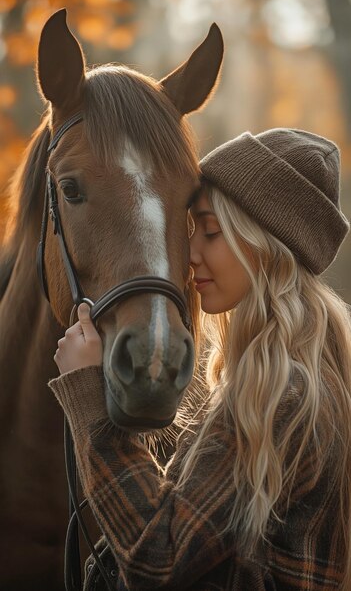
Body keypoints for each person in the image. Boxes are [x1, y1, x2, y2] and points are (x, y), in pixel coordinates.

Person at [51, 128, 351, 591]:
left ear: (267, 249)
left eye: (210, 232)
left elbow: (160, 559)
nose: (190, 254)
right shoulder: (291, 378)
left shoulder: (281, 396)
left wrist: (89, 398)